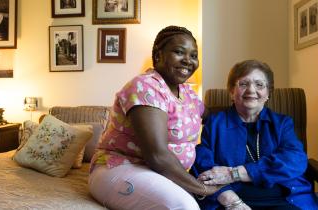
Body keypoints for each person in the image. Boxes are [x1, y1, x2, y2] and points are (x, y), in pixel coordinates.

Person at [88, 25, 221, 210]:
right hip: (119, 167)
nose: (188, 61)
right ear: (158, 55)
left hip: (158, 174)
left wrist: (246, 103)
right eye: (179, 52)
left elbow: (212, 115)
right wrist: (202, 189)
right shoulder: (145, 86)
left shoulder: (187, 93)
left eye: (193, 55)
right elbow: (157, 155)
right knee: (185, 206)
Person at [190, 60, 318, 210]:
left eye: (259, 85)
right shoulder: (216, 123)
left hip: (283, 199)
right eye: (243, 84)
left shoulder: (282, 123)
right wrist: (228, 198)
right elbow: (202, 163)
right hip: (233, 200)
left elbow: (295, 160)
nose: (251, 90)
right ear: (231, 91)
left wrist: (234, 173)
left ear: (268, 93)